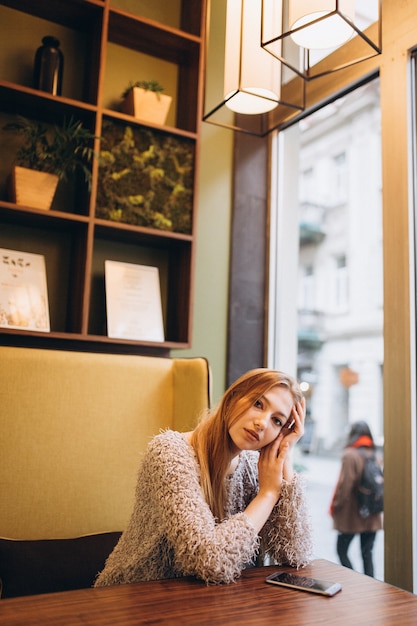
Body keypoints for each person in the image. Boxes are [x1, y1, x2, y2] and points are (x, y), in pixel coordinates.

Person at [95, 368, 313, 586]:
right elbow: (209, 562)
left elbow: (296, 554)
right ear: (233, 397)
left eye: (277, 421)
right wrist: (268, 494)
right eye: (258, 404)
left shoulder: (254, 467)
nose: (262, 423)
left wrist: (286, 453)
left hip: (206, 601)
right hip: (134, 596)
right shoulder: (169, 452)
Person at [329, 420, 383, 577]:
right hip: (372, 514)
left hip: (352, 515)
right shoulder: (375, 455)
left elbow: (345, 486)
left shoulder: (349, 455)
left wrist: (336, 506)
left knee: (341, 551)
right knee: (367, 555)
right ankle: (369, 584)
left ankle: (354, 581)